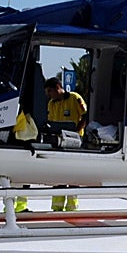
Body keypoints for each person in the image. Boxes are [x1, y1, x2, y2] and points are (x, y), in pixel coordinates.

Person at [45, 77, 86, 211]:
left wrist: (77, 130)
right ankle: (57, 206)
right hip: (58, 141)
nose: (49, 95)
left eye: (50, 91)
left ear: (58, 87)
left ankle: (72, 206)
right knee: (58, 174)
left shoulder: (74, 98)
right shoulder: (51, 103)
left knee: (73, 174)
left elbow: (85, 115)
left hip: (74, 141)